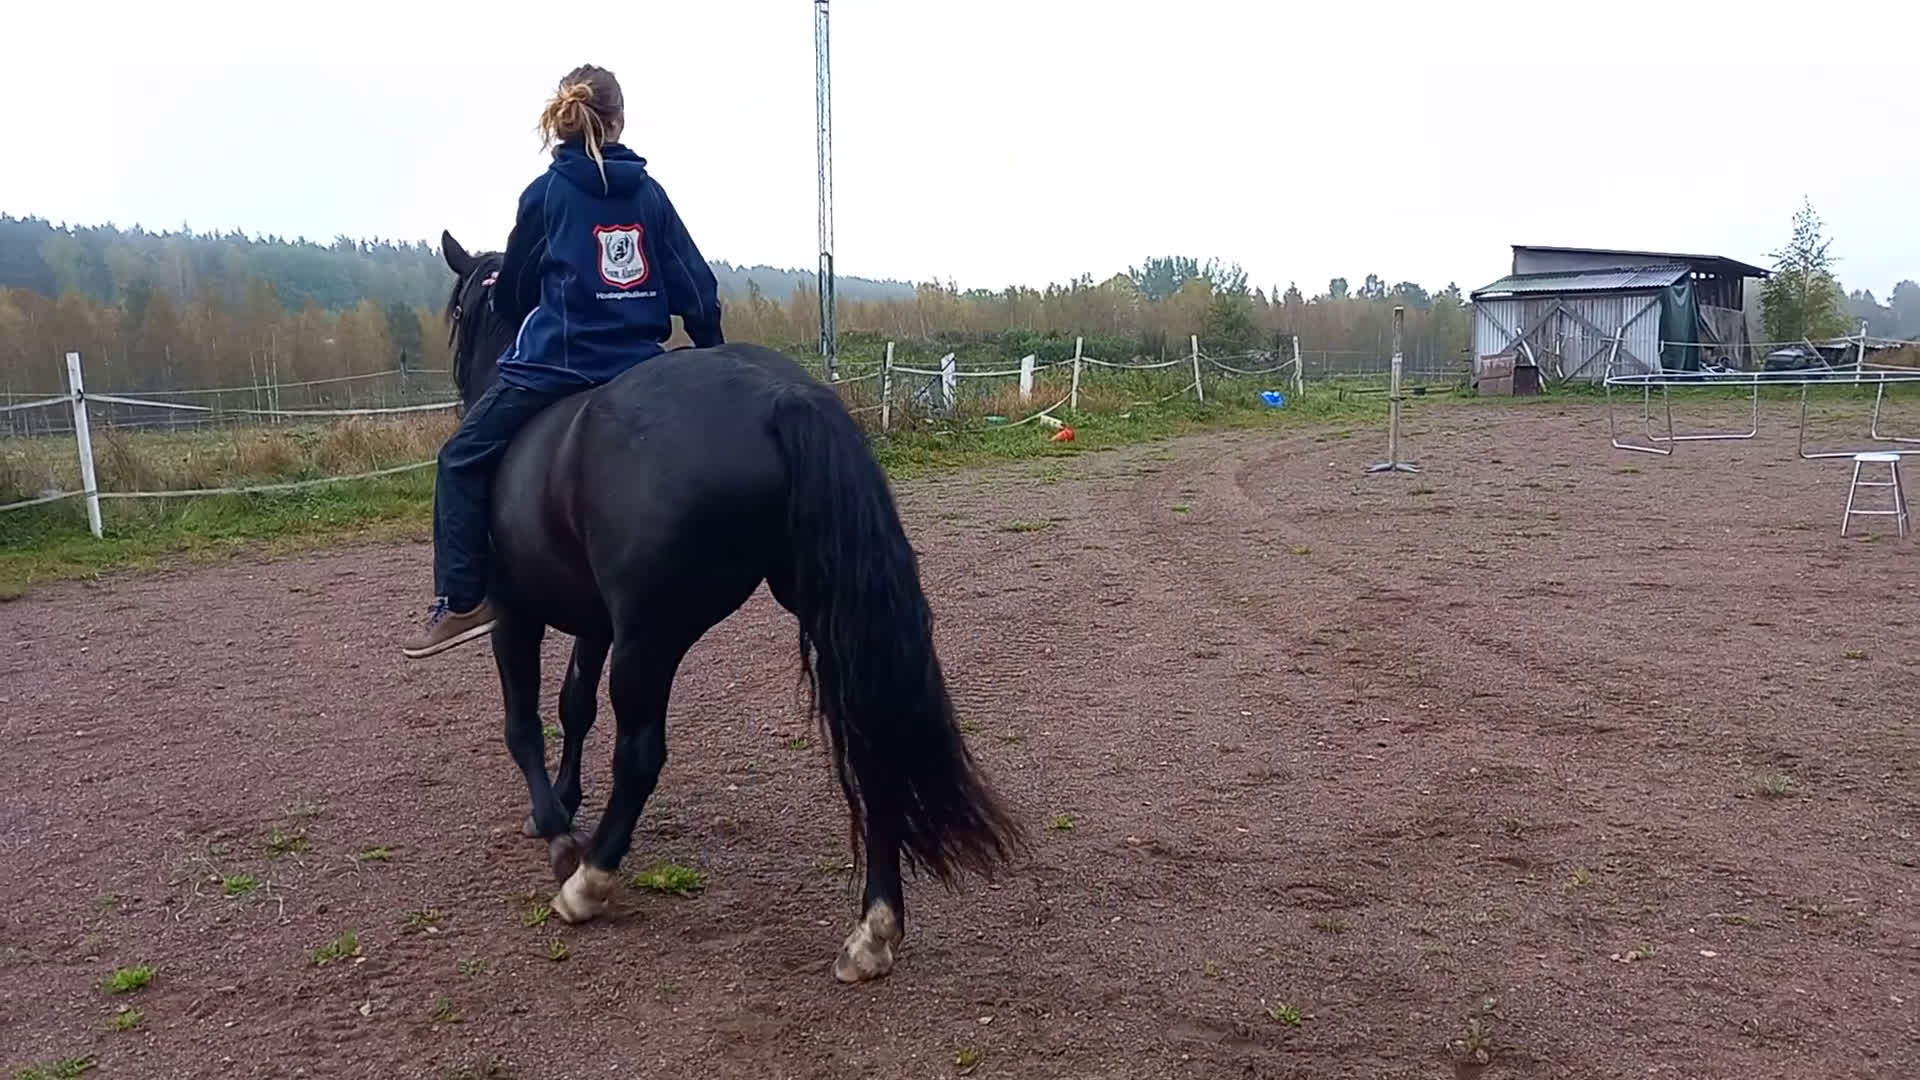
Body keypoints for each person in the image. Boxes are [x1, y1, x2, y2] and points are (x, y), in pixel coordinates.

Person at [403, 63, 723, 659]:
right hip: (637, 365)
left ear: (565, 122)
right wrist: (714, 354)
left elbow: (516, 292)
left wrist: (531, 302)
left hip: (558, 364)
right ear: (620, 121)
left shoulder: (546, 195)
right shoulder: (651, 196)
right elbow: (695, 289)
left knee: (460, 458)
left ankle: (463, 599)